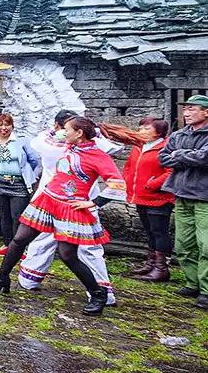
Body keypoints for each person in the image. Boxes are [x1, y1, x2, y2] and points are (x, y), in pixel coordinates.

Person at [0, 117, 125, 316]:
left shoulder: (97, 155)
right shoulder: (68, 146)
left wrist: (93, 202)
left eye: (66, 129)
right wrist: (61, 130)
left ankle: (97, 293)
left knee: (68, 255)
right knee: (19, 239)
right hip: (48, 200)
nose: (62, 132)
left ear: (79, 134)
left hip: (70, 208)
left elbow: (118, 184)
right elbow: (49, 136)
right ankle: (2, 277)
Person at [19, 109, 122, 305]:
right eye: (65, 128)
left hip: (73, 202)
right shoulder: (82, 146)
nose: (65, 133)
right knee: (86, 249)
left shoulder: (50, 143)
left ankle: (30, 278)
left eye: (69, 129)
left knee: (48, 242)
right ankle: (102, 292)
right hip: (60, 199)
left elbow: (43, 138)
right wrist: (92, 131)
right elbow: (112, 147)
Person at [100, 118, 174, 282]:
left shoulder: (166, 147)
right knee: (148, 231)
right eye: (140, 128)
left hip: (158, 197)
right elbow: (129, 167)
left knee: (159, 232)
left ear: (159, 132)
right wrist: (126, 180)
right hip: (140, 195)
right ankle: (150, 263)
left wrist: (153, 184)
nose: (141, 132)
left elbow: (171, 171)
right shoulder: (139, 146)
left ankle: (161, 268)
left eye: (146, 129)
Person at [159, 94, 208, 308]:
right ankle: (192, 283)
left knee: (206, 245)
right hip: (182, 194)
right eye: (184, 109)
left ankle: (206, 291)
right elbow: (163, 157)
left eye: (192, 109)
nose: (186, 113)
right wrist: (188, 155)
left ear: (206, 112)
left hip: (204, 197)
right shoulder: (179, 134)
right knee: (184, 244)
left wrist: (180, 155)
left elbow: (205, 158)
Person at [0, 113, 40, 256]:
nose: (4, 128)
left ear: (12, 126)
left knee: (17, 216)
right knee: (4, 215)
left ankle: (18, 247)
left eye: (7, 125)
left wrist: (23, 173)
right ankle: (7, 244)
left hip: (18, 183)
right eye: (0, 125)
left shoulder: (21, 141)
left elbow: (33, 160)